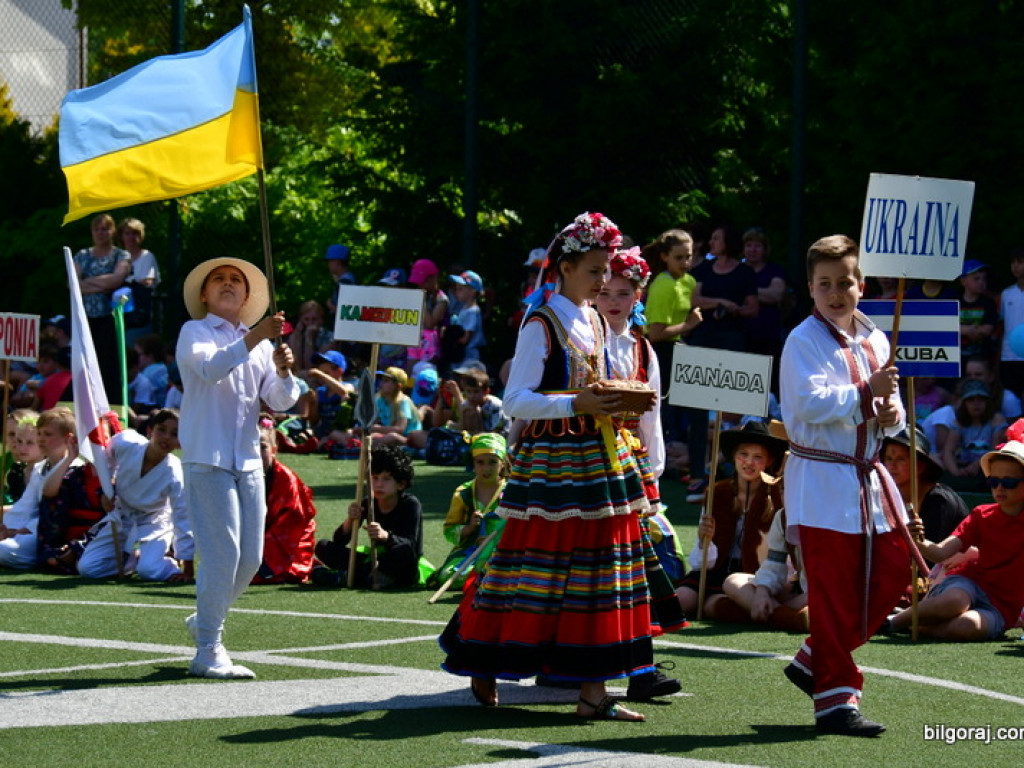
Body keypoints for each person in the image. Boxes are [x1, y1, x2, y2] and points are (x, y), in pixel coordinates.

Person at [439, 211, 653, 722]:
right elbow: (515, 400)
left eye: (606, 271)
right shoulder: (542, 323)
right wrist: (577, 404)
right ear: (564, 267)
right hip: (552, 468)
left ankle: (593, 692)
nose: (603, 281)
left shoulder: (598, 320)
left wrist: (616, 403)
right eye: (594, 271)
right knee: (526, 569)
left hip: (600, 461)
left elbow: (595, 388)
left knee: (603, 574)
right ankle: (482, 659)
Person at [780, 233, 917, 737]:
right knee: (835, 593)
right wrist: (865, 393)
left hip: (868, 478)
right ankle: (836, 701)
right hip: (822, 481)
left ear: (861, 284)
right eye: (825, 284)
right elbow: (806, 406)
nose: (836, 293)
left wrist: (890, 408)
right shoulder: (802, 340)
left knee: (891, 572)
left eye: (846, 282)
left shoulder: (877, 337)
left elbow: (891, 414)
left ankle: (814, 658)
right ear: (810, 288)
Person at [176, 256, 299, 680]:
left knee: (250, 558)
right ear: (205, 294)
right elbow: (210, 369)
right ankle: (208, 647)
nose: (228, 284)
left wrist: (284, 372)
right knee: (221, 554)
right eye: (219, 280)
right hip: (206, 456)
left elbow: (281, 401)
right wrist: (256, 340)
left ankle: (204, 622)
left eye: (235, 281)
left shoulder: (260, 343)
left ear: (247, 297)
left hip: (248, 458)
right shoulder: (194, 332)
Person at [595, 245, 686, 699]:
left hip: (629, 470)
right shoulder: (583, 338)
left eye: (623, 292)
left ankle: (640, 669)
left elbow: (652, 418)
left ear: (639, 295)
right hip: (585, 467)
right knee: (585, 571)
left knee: (633, 570)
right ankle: (567, 664)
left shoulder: (644, 349)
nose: (613, 300)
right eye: (606, 291)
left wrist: (653, 476)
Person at [885, 436, 1024, 640]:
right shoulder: (981, 514)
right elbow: (941, 552)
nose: (999, 488)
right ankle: (890, 623)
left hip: (1001, 606)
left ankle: (915, 624)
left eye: (1009, 482)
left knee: (968, 625)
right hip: (968, 583)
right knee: (955, 601)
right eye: (994, 481)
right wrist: (918, 539)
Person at [675, 421, 787, 622]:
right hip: (715, 570)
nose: (748, 463)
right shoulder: (717, 492)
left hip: (754, 575)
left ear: (769, 461)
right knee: (683, 600)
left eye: (758, 457)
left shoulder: (778, 497)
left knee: (714, 604)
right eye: (743, 454)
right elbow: (702, 564)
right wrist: (703, 541)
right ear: (734, 457)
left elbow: (782, 554)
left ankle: (773, 613)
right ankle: (740, 608)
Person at [77, 409, 194, 582]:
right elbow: (105, 460)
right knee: (88, 568)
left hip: (154, 521)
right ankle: (133, 558)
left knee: (149, 571)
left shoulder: (175, 473)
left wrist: (188, 566)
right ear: (150, 430)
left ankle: (165, 562)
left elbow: (182, 516)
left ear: (180, 443)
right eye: (161, 430)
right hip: (122, 515)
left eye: (174, 434)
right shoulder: (126, 442)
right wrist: (106, 489)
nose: (166, 437)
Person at [687, 224, 758, 503]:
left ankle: (736, 475)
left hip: (733, 340)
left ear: (728, 241)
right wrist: (721, 301)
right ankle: (696, 475)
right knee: (696, 409)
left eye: (716, 238)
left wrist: (735, 309)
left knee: (735, 410)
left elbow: (753, 307)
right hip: (703, 339)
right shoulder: (703, 269)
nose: (711, 243)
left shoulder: (744, 272)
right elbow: (695, 299)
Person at [312, 443, 423, 589]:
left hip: (399, 563)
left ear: (401, 484)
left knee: (403, 553)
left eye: (386, 479)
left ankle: (349, 577)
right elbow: (339, 540)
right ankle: (366, 577)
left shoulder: (410, 504)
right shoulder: (368, 503)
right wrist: (351, 520)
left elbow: (410, 545)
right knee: (324, 546)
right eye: (375, 478)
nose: (378, 484)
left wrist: (385, 536)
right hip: (374, 561)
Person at [642, 228, 703, 452]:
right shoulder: (663, 285)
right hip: (661, 351)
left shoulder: (688, 281)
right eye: (679, 257)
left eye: (689, 256)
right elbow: (656, 333)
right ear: (664, 256)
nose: (685, 262)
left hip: (678, 348)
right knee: (665, 408)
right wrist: (689, 324)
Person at [427, 432, 509, 590]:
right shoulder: (463, 492)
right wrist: (469, 528)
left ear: (503, 463)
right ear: (473, 463)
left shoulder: (512, 491)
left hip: (503, 551)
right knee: (448, 576)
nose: (486, 468)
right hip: (470, 551)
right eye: (480, 462)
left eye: (492, 462)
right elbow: (450, 531)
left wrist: (494, 539)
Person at [0, 407, 79, 569]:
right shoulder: (40, 467)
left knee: (5, 550)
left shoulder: (75, 469)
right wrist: (9, 527)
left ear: (67, 438)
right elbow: (26, 505)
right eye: (40, 433)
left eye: (48, 434)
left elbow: (57, 512)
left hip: (54, 534)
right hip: (30, 531)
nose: (41, 439)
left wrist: (19, 531)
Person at [881, 427, 968, 564]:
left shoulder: (939, 500)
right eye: (888, 458)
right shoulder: (886, 496)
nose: (892, 465)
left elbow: (931, 561)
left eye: (901, 459)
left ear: (920, 467)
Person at [74, 212, 132, 405]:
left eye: (105, 228)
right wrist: (103, 284)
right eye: (97, 229)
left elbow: (117, 279)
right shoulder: (82, 255)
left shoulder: (121, 255)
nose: (101, 233)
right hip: (85, 317)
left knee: (107, 363)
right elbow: (73, 283)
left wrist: (86, 284)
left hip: (110, 317)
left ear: (113, 231)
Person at [252, 418, 317, 584]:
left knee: (271, 574)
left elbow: (292, 524)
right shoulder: (238, 475)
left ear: (274, 450)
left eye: (263, 447)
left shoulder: (287, 480)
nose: (257, 453)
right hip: (255, 540)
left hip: (291, 540)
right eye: (251, 446)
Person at [741, 227, 788, 393]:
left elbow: (776, 294)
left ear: (765, 249)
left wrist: (744, 292)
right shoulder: (737, 270)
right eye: (749, 245)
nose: (752, 250)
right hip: (742, 336)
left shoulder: (774, 270)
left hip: (768, 335)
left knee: (769, 381)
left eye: (757, 246)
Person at [941, 379, 1006, 490]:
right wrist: (955, 472)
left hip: (989, 469)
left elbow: (996, 451)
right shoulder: (959, 422)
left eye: (981, 400)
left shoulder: (997, 420)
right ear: (964, 403)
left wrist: (978, 464)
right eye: (971, 400)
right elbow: (948, 451)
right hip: (965, 467)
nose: (976, 404)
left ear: (987, 402)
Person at [118, 217, 160, 345]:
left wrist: (121, 282)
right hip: (118, 315)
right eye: (127, 233)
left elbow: (147, 283)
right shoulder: (117, 257)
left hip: (139, 318)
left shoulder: (147, 256)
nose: (131, 237)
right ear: (121, 236)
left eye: (135, 233)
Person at [370, 366, 426, 449]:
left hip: (408, 439)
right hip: (388, 434)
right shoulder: (379, 400)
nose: (381, 384)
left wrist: (378, 428)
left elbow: (400, 429)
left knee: (392, 437)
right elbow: (373, 422)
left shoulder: (403, 401)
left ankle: (365, 448)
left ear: (398, 386)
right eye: (382, 380)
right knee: (371, 436)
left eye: (386, 381)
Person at [407, 259, 447, 371]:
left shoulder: (441, 299)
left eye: (423, 282)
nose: (420, 285)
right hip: (414, 340)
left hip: (430, 346)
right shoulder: (421, 293)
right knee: (410, 373)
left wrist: (421, 300)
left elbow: (430, 323)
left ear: (434, 278)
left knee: (423, 373)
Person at [443, 367, 507, 436]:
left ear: (486, 391)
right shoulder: (468, 404)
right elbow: (462, 426)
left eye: (476, 392)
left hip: (496, 438)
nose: (472, 396)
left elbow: (496, 432)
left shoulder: (496, 406)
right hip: (478, 435)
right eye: (468, 391)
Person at [958, 259, 998, 362]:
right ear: (963, 281)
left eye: (984, 279)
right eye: (976, 279)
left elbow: (988, 329)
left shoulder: (988, 303)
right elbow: (947, 328)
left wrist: (962, 329)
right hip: (957, 359)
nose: (981, 283)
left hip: (982, 358)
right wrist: (975, 329)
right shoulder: (954, 302)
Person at [998, 246, 1024, 397]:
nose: (1015, 266)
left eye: (1020, 262)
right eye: (1013, 262)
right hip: (1009, 355)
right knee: (1011, 397)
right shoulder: (1007, 294)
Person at [449, 270, 486, 365]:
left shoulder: (473, 311)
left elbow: (465, 338)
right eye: (457, 288)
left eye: (460, 289)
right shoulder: (464, 308)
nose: (457, 292)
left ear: (472, 291)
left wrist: (449, 337)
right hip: (461, 353)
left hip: (468, 356)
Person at [324, 244, 356, 316]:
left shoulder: (345, 282)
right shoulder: (345, 280)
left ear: (338, 262)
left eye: (330, 261)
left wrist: (330, 306)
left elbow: (347, 312)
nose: (328, 264)